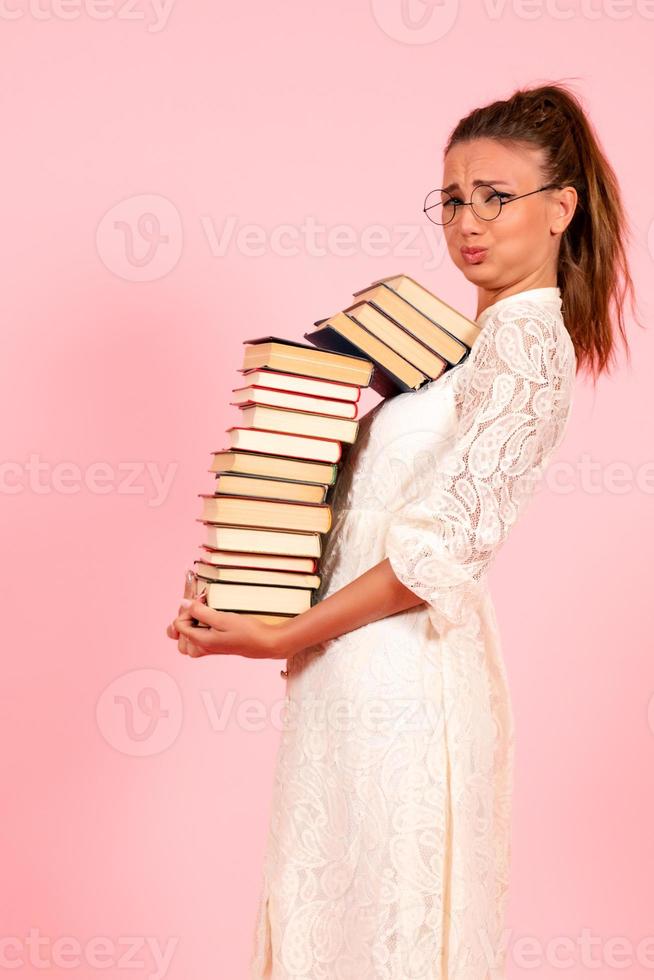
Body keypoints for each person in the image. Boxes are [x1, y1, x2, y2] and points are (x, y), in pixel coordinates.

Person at [166, 81, 638, 979]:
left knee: (383, 935)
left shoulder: (528, 348)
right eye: (453, 198)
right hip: (357, 674)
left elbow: (435, 555)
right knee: (339, 923)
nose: (468, 220)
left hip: (406, 681)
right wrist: (240, 594)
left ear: (560, 210)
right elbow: (367, 522)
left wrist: (276, 634)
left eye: (495, 197)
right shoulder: (466, 349)